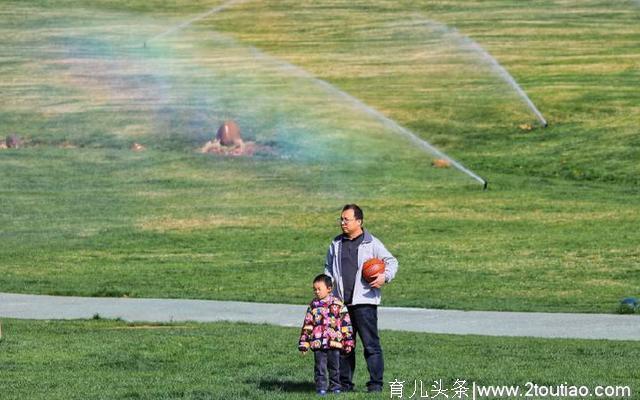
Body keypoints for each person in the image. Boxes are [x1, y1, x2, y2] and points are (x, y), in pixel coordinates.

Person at [324, 204, 398, 393]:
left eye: (346, 219)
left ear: (359, 221)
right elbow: (328, 269)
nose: (342, 223)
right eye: (341, 219)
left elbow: (391, 261)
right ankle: (345, 385)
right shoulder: (336, 243)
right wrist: (329, 294)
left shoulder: (371, 243)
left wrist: (384, 276)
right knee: (344, 347)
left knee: (371, 346)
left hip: (364, 304)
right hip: (341, 305)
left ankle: (375, 385)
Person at [299, 274, 355, 396]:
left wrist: (348, 342)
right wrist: (304, 343)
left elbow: (346, 324)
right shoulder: (313, 305)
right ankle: (321, 388)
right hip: (318, 343)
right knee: (320, 368)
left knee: (335, 368)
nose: (316, 292)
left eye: (319, 289)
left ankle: (335, 387)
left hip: (334, 343)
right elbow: (308, 324)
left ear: (329, 288)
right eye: (314, 289)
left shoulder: (338, 304)